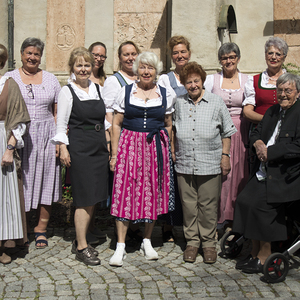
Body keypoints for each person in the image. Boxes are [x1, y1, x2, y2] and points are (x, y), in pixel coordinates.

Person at [109, 52, 175, 267]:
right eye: (143, 67)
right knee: (125, 191)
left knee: (152, 191)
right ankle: (120, 245)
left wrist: (169, 150)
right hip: (129, 146)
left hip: (155, 148)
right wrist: (114, 153)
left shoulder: (165, 93)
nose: (147, 72)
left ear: (156, 71)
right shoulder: (126, 92)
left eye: (151, 68)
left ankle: (147, 240)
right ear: (137, 69)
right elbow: (116, 123)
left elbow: (168, 124)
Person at [232, 73, 300, 274]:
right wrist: (258, 143)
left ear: (297, 92)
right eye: (280, 90)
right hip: (264, 172)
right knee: (244, 200)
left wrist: (272, 152)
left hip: (288, 175)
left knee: (262, 205)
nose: (283, 94)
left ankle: (264, 255)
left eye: (288, 90)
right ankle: (254, 251)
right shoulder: (272, 111)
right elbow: (255, 132)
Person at [173, 62, 237, 264]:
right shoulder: (179, 103)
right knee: (189, 205)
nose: (193, 85)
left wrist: (225, 156)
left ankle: (208, 244)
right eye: (188, 82)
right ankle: (192, 242)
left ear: (202, 81)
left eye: (196, 81)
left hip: (209, 162)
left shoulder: (216, 102)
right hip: (185, 163)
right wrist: (174, 151)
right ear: (184, 84)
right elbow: (173, 129)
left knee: (208, 206)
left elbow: (227, 132)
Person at [52, 47, 110, 266]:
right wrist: (63, 148)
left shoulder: (97, 88)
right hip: (80, 147)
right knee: (84, 198)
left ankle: (83, 237)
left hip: (98, 147)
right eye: (79, 65)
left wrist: (108, 145)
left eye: (87, 65)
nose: (84, 69)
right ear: (72, 68)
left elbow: (104, 121)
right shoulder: (67, 91)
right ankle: (81, 246)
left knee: (94, 196)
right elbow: (61, 124)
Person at [5, 37, 61, 249]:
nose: (32, 57)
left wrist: (58, 141)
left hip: (47, 135)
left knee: (47, 178)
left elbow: (57, 113)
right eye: (28, 53)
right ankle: (20, 228)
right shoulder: (9, 78)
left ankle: (41, 229)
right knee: (21, 181)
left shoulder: (50, 79)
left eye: (36, 54)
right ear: (21, 54)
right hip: (19, 136)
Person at [204, 43, 250, 231]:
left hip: (241, 131)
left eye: (232, 57)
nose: (228, 61)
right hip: (218, 132)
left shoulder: (248, 80)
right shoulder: (211, 80)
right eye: (224, 58)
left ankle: (235, 219)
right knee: (221, 176)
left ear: (238, 58)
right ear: (220, 60)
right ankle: (217, 218)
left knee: (240, 174)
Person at [102, 41, 143, 243]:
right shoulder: (113, 81)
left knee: (138, 183)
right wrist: (112, 142)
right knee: (124, 185)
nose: (130, 58)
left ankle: (135, 226)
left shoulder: (143, 78)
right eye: (126, 54)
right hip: (124, 139)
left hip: (140, 141)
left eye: (134, 54)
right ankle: (123, 229)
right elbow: (108, 113)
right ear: (119, 57)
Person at [157, 35, 191, 242]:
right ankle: (168, 226)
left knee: (189, 183)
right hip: (172, 134)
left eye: (183, 51)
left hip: (192, 134)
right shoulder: (164, 79)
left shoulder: (196, 74)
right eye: (176, 52)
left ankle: (190, 228)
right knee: (169, 182)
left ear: (189, 53)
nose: (180, 55)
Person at [0, 44, 30, 264]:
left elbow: (19, 120)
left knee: (4, 198)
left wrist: (10, 148)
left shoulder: (9, 86)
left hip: (2, 142)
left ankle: (3, 245)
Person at [243, 37, 288, 124]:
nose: (273, 57)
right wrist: (268, 120)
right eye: (270, 53)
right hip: (261, 130)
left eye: (278, 54)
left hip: (286, 130)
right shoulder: (254, 80)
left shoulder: (292, 81)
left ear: (284, 57)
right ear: (265, 55)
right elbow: (247, 112)